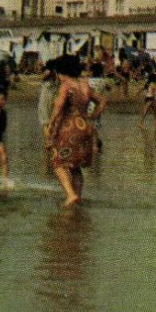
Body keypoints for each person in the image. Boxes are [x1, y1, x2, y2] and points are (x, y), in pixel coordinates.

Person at [45, 54, 101, 207]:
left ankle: (70, 195)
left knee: (57, 163)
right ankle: (78, 197)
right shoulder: (84, 84)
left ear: (60, 72)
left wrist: (50, 126)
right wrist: (92, 116)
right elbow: (102, 101)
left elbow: (57, 109)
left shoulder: (66, 86)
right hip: (86, 127)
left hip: (70, 129)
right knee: (76, 167)